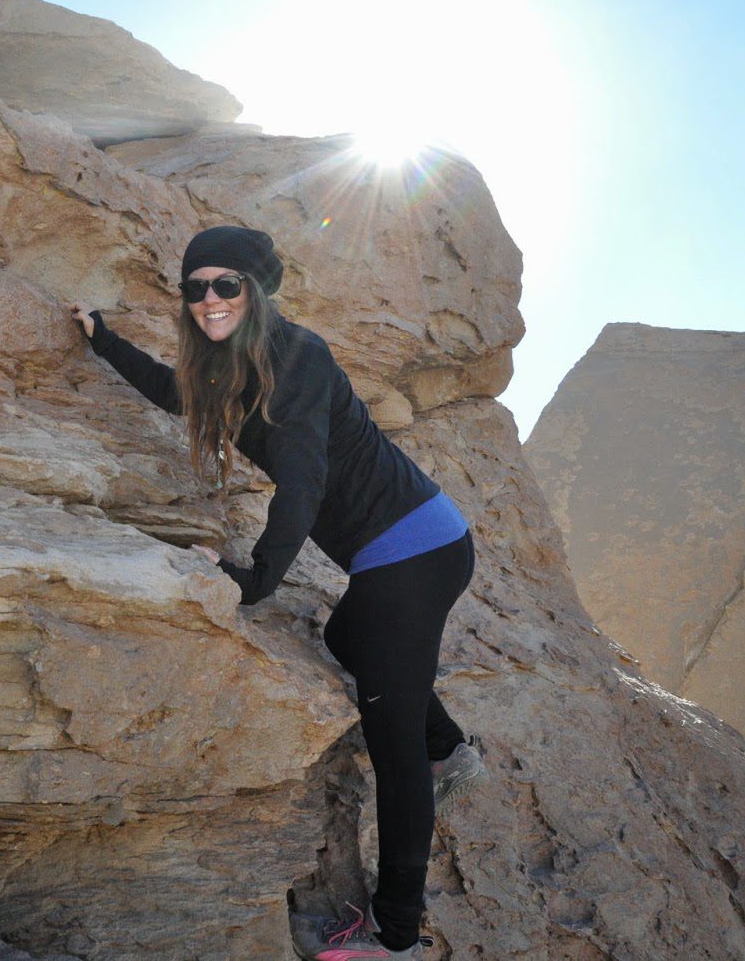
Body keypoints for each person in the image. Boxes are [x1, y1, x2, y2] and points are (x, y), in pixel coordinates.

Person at [70, 225, 487, 960]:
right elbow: (176, 394)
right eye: (195, 287)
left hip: (415, 552)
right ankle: (449, 748)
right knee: (344, 637)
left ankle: (396, 941)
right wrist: (102, 339)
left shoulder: (298, 358)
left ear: (256, 291)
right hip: (408, 546)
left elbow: (302, 484)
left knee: (392, 753)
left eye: (226, 284)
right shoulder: (231, 360)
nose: (208, 299)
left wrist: (252, 582)